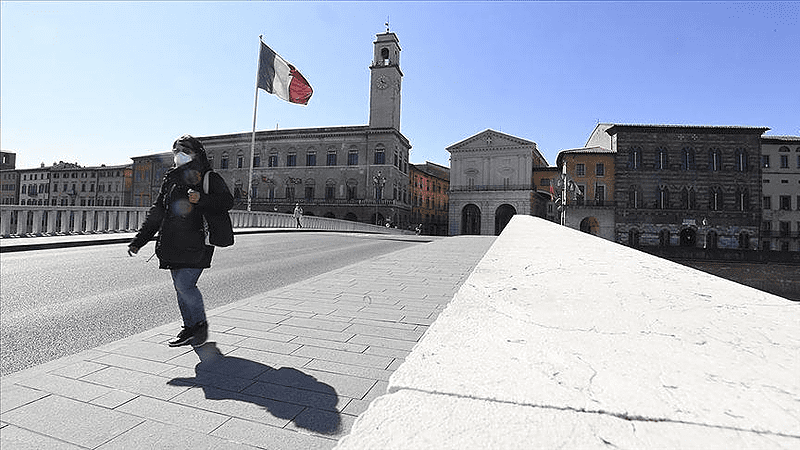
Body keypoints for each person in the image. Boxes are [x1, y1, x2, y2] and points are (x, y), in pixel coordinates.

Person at [128, 135, 233, 347]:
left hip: (198, 242)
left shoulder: (208, 177)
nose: (180, 155)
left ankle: (199, 326)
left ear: (197, 153)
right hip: (173, 242)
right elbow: (157, 211)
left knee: (185, 285)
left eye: (185, 150)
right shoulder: (171, 179)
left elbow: (227, 201)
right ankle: (189, 328)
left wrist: (201, 199)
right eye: (176, 151)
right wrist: (140, 240)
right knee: (180, 287)